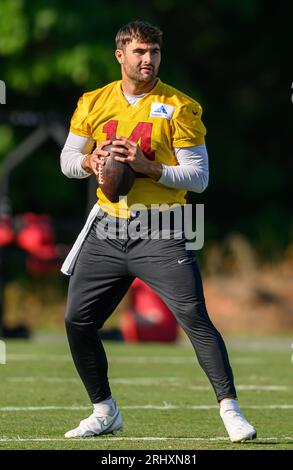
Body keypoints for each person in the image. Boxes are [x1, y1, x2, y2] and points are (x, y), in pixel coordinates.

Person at [60, 20, 256, 442]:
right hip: (107, 227)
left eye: (154, 53)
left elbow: (199, 177)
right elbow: (68, 160)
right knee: (77, 321)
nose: (147, 60)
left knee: (194, 318)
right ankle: (104, 410)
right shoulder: (94, 101)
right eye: (139, 52)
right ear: (120, 56)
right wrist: (92, 163)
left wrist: (149, 168)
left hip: (164, 225)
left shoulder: (180, 105)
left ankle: (230, 411)